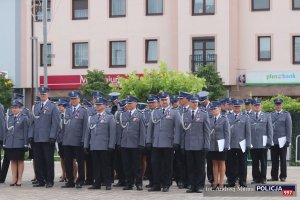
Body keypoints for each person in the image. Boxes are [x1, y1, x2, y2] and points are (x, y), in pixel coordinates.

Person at [146, 92, 181, 192]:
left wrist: (176, 142)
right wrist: (148, 141)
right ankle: (156, 184)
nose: (164, 102)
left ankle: (166, 184)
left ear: (169, 100)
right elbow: (150, 129)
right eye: (162, 100)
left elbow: (177, 128)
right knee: (155, 164)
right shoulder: (155, 112)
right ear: (159, 102)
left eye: (165, 100)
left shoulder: (174, 112)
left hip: (168, 143)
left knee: (167, 165)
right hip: (156, 143)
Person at [29, 87, 60, 188]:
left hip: (47, 138)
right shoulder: (35, 106)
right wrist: (30, 135)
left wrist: (52, 136)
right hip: (37, 138)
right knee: (38, 160)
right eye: (41, 94)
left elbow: (55, 123)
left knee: (48, 160)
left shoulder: (53, 106)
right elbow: (32, 123)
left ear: (47, 94)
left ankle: (49, 180)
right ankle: (40, 180)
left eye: (44, 94)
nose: (42, 95)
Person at [84, 97, 116, 190]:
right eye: (96, 105)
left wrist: (111, 145)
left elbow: (112, 133)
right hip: (94, 145)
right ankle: (96, 183)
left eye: (99, 105)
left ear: (104, 106)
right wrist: (86, 145)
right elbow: (87, 133)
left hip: (105, 146)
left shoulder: (109, 117)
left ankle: (107, 182)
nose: (97, 106)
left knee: (106, 165)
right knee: (96, 165)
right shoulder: (92, 117)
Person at [180, 95, 210, 193]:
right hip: (188, 145)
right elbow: (183, 131)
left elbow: (206, 131)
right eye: (193, 102)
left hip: (200, 145)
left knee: (200, 167)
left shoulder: (204, 114)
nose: (195, 104)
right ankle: (192, 185)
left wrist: (206, 145)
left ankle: (200, 186)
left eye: (196, 102)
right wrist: (183, 145)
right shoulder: (185, 114)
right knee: (191, 166)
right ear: (189, 103)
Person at [0, 94, 31, 183]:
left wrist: (26, 143)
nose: (14, 109)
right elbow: (6, 131)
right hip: (10, 143)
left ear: (20, 108)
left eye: (16, 107)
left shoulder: (24, 118)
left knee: (20, 160)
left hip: (20, 143)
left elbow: (26, 131)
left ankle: (20, 179)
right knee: (13, 160)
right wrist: (5, 142)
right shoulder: (9, 118)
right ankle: (14, 178)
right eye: (13, 107)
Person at [61, 91, 88, 189]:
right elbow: (64, 125)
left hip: (78, 141)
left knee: (80, 162)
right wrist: (63, 138)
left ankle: (80, 180)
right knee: (68, 161)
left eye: (75, 99)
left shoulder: (83, 111)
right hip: (67, 140)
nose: (73, 100)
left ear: (79, 99)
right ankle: (70, 180)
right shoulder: (67, 110)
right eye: (71, 99)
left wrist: (83, 140)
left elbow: (85, 127)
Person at [119, 96, 146, 191]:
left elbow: (142, 130)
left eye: (130, 103)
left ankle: (139, 183)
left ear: (135, 104)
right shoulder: (124, 114)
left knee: (137, 166)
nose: (128, 105)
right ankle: (129, 183)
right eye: (128, 103)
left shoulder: (140, 114)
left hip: (135, 144)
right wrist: (120, 142)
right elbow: (121, 130)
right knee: (127, 165)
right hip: (125, 143)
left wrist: (142, 143)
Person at [226, 99, 251, 188]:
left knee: (243, 163)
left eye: (239, 106)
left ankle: (243, 181)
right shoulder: (227, 116)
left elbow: (248, 132)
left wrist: (248, 144)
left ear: (241, 107)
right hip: (231, 143)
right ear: (233, 107)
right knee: (230, 163)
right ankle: (231, 181)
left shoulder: (246, 117)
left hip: (242, 144)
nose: (237, 108)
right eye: (235, 106)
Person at [249, 98, 273, 184]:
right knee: (254, 162)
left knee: (263, 161)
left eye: (258, 105)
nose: (257, 107)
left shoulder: (266, 116)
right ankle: (255, 178)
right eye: (255, 105)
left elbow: (270, 130)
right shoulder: (249, 116)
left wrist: (269, 141)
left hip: (263, 143)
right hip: (253, 143)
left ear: (261, 106)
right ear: (252, 106)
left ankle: (263, 178)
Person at [268, 98, 292, 182]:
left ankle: (283, 176)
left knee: (283, 160)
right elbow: (268, 128)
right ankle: (274, 176)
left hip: (283, 141)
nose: (278, 106)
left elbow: (289, 128)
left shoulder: (286, 114)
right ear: (274, 106)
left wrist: (288, 140)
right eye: (276, 105)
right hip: (273, 141)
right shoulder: (270, 115)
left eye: (279, 105)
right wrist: (269, 140)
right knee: (274, 160)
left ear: (281, 105)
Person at [208, 102, 230, 189]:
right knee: (214, 163)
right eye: (212, 109)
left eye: (215, 109)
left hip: (221, 144)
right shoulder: (209, 119)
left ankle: (221, 183)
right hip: (212, 144)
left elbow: (227, 133)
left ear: (219, 109)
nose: (213, 110)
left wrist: (226, 145)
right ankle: (215, 182)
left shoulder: (224, 119)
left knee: (221, 162)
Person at [175, 91, 191, 189]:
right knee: (179, 162)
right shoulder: (177, 110)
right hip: (179, 141)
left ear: (187, 99)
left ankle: (189, 181)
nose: (179, 100)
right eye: (179, 99)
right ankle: (180, 180)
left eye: (181, 99)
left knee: (189, 162)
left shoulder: (192, 110)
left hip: (189, 141)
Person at [144, 95, 158, 188]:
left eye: (153, 102)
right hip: (147, 141)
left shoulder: (158, 112)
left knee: (156, 162)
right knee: (149, 162)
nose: (151, 104)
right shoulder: (145, 113)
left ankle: (158, 181)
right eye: (149, 103)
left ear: (156, 103)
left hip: (157, 141)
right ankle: (151, 181)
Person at [113, 99, 127, 187]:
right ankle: (121, 179)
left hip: (126, 142)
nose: (123, 108)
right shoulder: (117, 114)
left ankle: (128, 180)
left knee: (126, 163)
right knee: (117, 163)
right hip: (117, 142)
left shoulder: (129, 115)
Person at [57, 99, 69, 182]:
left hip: (67, 140)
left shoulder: (68, 114)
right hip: (60, 140)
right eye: (59, 105)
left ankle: (71, 175)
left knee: (69, 159)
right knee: (62, 158)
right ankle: (64, 174)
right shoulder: (58, 115)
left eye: (61, 105)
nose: (59, 107)